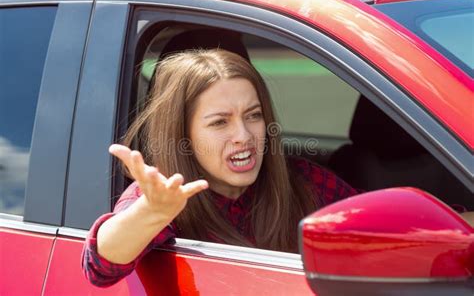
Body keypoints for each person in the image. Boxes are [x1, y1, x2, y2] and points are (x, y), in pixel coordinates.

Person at [82, 48, 474, 287]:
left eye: (253, 116)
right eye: (220, 122)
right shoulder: (163, 197)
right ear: (182, 132)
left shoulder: (303, 180)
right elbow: (102, 264)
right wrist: (151, 214)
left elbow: (387, 224)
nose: (244, 135)